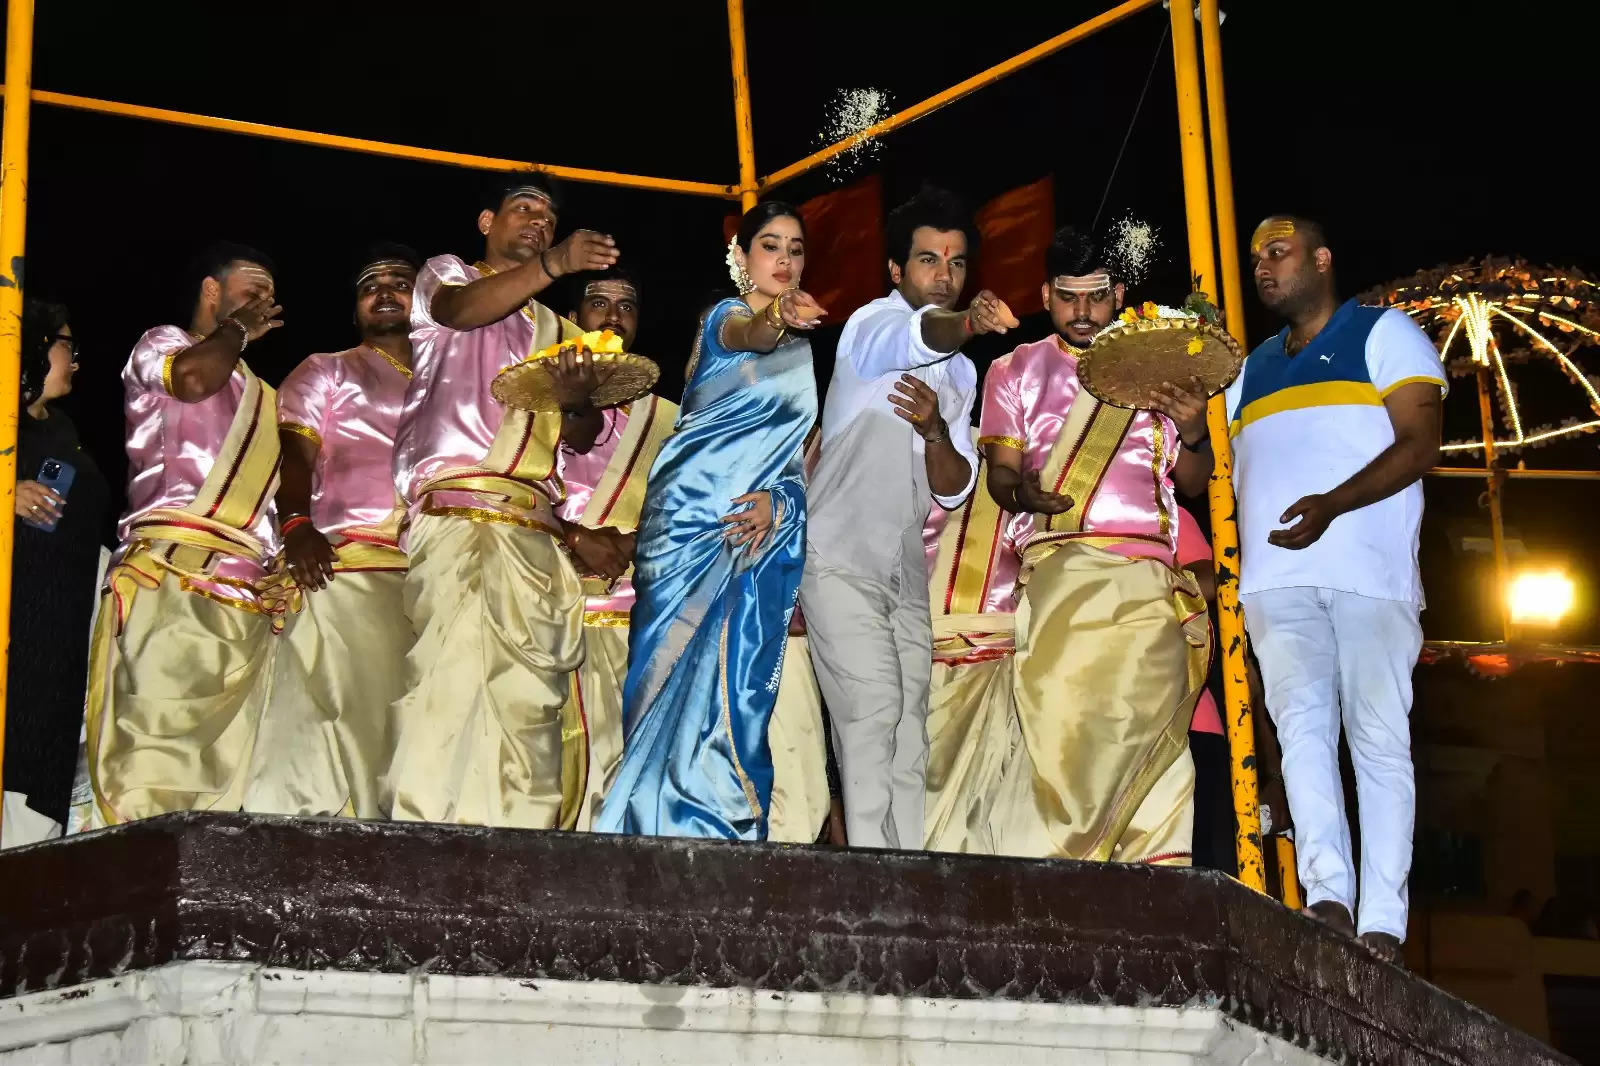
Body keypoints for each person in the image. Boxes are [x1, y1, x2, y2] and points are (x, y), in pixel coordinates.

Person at [1227, 214, 1445, 963]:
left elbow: (1421, 443)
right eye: (1256, 258)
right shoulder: (1248, 367)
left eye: (1279, 254)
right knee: (1303, 738)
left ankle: (1384, 920)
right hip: (1276, 583)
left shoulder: (1383, 334)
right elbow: (1204, 475)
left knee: (1379, 743)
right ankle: (1328, 897)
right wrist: (1192, 423)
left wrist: (1332, 506)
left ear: (1322, 260)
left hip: (1368, 576)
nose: (1263, 267)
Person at [385, 176, 622, 830]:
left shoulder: (558, 328)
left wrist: (577, 401)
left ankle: (516, 841)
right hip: (460, 511)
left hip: (534, 531)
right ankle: (432, 837)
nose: (538, 223)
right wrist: (554, 265)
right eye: (524, 209)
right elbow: (460, 312)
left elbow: (581, 436)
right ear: (486, 219)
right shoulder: (448, 276)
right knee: (453, 677)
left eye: (548, 219)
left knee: (526, 699)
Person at [977, 225, 1213, 864]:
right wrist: (1025, 496)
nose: (1083, 313)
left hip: (1145, 576)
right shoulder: (1014, 370)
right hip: (1060, 574)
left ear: (1120, 295)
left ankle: (1155, 874)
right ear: (1045, 295)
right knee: (1063, 730)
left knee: (1146, 726)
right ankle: (1064, 878)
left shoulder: (1158, 365)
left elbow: (1193, 482)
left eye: (1098, 296)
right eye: (1068, 298)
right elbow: (1000, 476)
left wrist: (1193, 432)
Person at [595, 201, 826, 840]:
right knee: (663, 676)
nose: (785, 261)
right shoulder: (726, 318)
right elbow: (749, 334)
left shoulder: (800, 350)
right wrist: (777, 314)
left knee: (735, 689)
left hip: (749, 531)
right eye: (771, 246)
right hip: (688, 527)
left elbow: (792, 460)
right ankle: (642, 827)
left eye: (797, 249)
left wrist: (781, 504)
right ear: (741, 257)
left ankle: (717, 827)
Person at [801, 187, 1012, 851]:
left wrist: (933, 432)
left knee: (908, 734)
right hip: (835, 558)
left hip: (902, 575)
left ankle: (906, 882)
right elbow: (924, 333)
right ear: (896, 271)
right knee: (871, 716)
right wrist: (971, 323)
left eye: (955, 262)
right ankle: (873, 888)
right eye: (927, 260)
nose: (943, 275)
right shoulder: (872, 328)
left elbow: (953, 490)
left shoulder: (960, 378)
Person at [86, 243, 285, 824]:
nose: (264, 305)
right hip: (172, 571)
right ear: (212, 291)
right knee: (156, 749)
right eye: (254, 290)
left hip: (244, 595)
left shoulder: (261, 395)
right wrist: (236, 332)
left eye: (271, 297)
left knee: (227, 772)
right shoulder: (163, 344)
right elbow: (194, 381)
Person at [243, 246, 421, 819]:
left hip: (438, 569)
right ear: (355, 310)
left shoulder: (451, 376)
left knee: (421, 725)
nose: (386, 293)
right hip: (350, 561)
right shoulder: (328, 369)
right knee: (357, 710)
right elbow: (294, 458)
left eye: (400, 283)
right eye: (372, 287)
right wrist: (296, 524)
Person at [3, 300, 112, 847]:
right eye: (66, 344)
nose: (74, 358)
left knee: (47, 762)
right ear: (34, 347)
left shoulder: (63, 429)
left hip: (62, 627)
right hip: (15, 623)